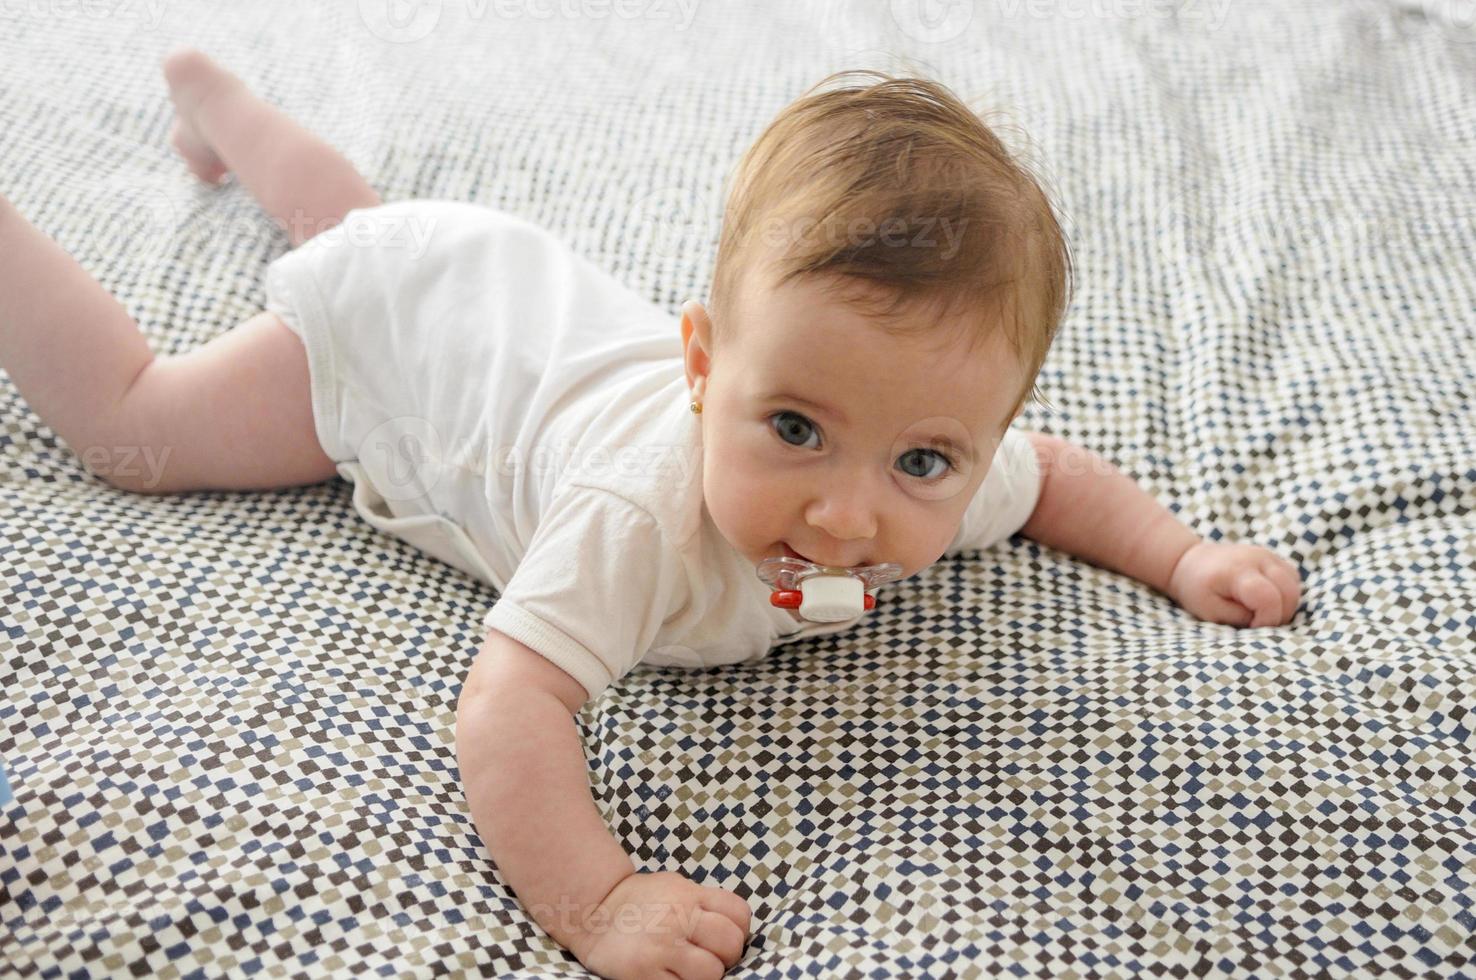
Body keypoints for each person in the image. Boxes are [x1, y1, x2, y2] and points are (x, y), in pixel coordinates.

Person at [0, 48, 1301, 979]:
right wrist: (602, 897)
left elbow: (1059, 479)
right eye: (791, 429)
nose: (847, 515)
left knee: (370, 223)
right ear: (701, 368)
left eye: (922, 466)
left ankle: (213, 98)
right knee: (144, 429)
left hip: (487, 277)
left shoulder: (933, 455)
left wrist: (1179, 556)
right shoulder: (640, 513)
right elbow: (509, 705)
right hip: (396, 350)